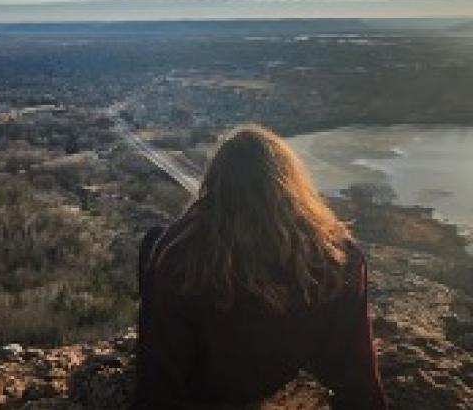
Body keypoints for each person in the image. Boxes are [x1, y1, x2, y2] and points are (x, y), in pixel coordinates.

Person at [134, 124, 387, 410]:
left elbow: (156, 389)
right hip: (272, 373)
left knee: (152, 242)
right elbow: (359, 378)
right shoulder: (338, 259)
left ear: (215, 186)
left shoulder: (181, 257)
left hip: (201, 386)